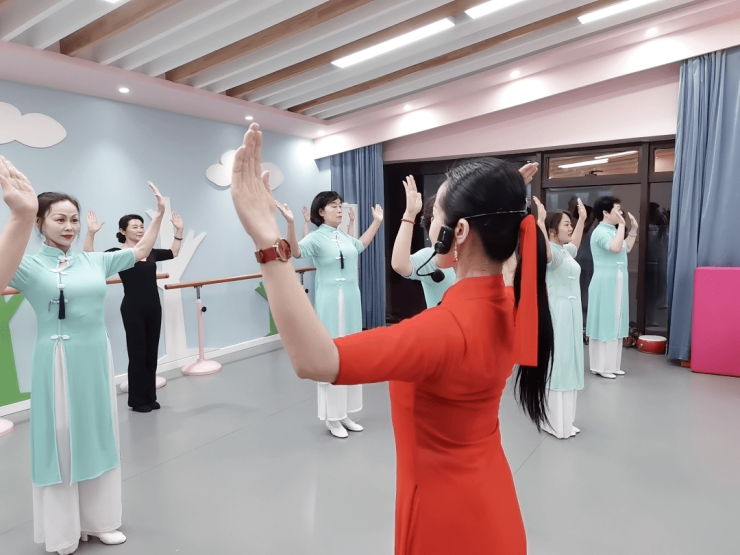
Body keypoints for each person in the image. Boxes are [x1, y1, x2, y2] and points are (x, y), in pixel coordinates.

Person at [230, 124, 553, 554]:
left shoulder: (442, 332)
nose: (429, 225)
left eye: (434, 217)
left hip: (445, 521)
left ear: (457, 232)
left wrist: (265, 240)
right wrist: (504, 203)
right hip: (493, 503)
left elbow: (315, 360)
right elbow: (506, 265)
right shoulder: (512, 304)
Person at [0, 157, 166, 555]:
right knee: (61, 439)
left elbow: (141, 251)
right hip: (56, 359)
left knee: (98, 434)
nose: (70, 227)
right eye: (59, 219)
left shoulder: (95, 260)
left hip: (96, 357)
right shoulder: (27, 265)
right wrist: (18, 216)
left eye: (74, 219)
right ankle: (64, 529)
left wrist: (160, 215)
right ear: (40, 222)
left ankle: (100, 520)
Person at [389, 165, 536, 552]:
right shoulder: (432, 258)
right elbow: (400, 265)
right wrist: (408, 215)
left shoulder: (479, 263)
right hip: (437, 345)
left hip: (470, 341)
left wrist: (496, 199)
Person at [275, 193, 383, 439]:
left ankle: (345, 413)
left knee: (351, 354)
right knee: (331, 356)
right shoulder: (316, 237)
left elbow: (360, 245)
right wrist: (291, 224)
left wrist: (376, 222)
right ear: (321, 212)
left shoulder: (343, 236)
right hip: (330, 302)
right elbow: (295, 251)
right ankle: (332, 417)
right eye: (334, 206)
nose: (339, 209)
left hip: (352, 301)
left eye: (340, 206)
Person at [84, 211, 184, 412]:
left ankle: (150, 396)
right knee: (137, 353)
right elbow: (90, 257)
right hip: (132, 308)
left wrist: (179, 230)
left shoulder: (150, 251)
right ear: (123, 231)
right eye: (135, 227)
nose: (140, 230)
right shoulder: (118, 253)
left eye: (142, 226)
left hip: (154, 307)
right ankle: (137, 400)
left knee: (151, 353)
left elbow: (173, 252)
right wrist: (91, 233)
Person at [538, 198, 588, 438]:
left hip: (572, 312)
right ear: (552, 231)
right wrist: (540, 222)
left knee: (570, 363)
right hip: (558, 312)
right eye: (566, 224)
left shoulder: (566, 251)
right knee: (559, 364)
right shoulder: (552, 253)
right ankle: (552, 421)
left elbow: (575, 242)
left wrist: (583, 219)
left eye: (571, 224)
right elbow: (546, 250)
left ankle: (566, 420)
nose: (570, 228)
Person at [586, 196, 638, 379]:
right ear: (605, 213)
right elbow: (615, 248)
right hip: (604, 282)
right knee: (604, 322)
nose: (620, 212)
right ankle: (600, 366)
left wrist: (634, 230)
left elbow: (625, 248)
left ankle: (613, 365)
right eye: (617, 209)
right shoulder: (600, 232)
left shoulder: (613, 231)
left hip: (617, 280)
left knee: (616, 321)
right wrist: (623, 226)